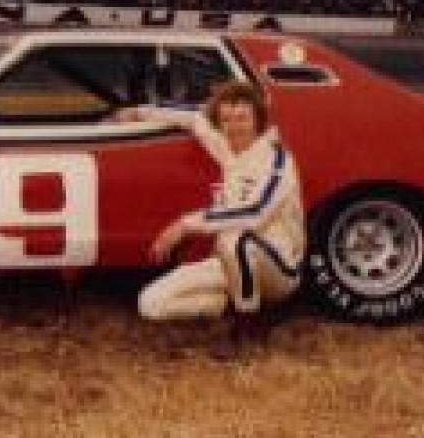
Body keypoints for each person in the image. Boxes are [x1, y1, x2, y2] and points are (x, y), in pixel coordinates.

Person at [121, 81, 305, 345]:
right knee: (150, 303)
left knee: (234, 237)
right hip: (230, 263)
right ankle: (233, 304)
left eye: (242, 118)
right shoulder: (225, 146)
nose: (234, 127)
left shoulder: (278, 160)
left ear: (258, 120)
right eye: (226, 120)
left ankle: (246, 328)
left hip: (277, 267)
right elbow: (195, 119)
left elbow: (255, 213)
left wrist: (184, 224)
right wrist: (138, 113)